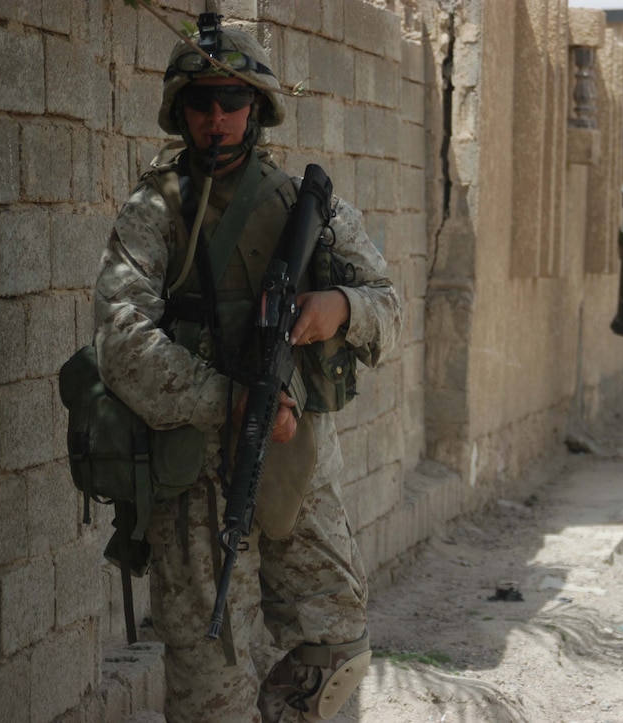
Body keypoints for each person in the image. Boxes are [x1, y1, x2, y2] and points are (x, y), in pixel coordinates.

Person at [93, 16, 401, 722]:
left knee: (338, 645)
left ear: (257, 108)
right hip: (196, 480)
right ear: (181, 111)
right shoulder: (156, 211)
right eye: (200, 102)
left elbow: (390, 306)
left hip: (298, 465)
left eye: (232, 101)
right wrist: (223, 397)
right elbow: (120, 340)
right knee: (210, 684)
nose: (216, 118)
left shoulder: (304, 205)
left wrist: (340, 308)